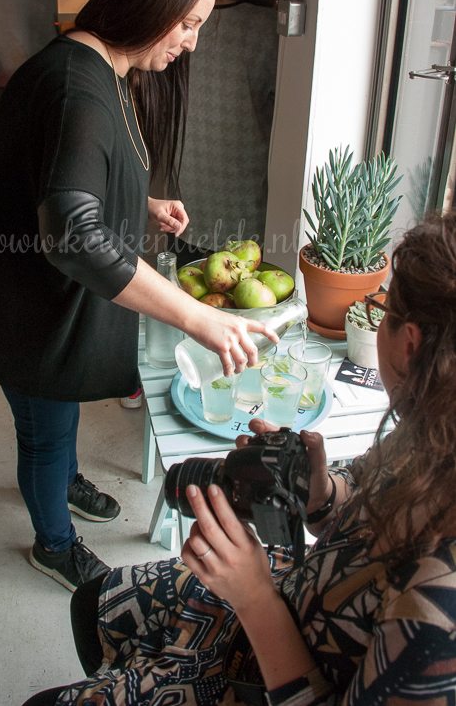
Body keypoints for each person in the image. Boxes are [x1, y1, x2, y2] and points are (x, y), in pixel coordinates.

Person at [24, 209, 456, 703]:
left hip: (275, 661)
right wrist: (322, 492)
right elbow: (362, 491)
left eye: (382, 310)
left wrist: (253, 597)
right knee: (92, 602)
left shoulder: (438, 615)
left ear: (409, 343)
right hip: (292, 593)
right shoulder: (433, 425)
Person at [0, 0, 278, 593]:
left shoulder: (103, 68)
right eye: (187, 24)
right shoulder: (75, 87)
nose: (192, 42)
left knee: (60, 410)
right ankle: (53, 544)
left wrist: (142, 204)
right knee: (43, 428)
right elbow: (74, 235)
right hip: (27, 299)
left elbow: (67, 178)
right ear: (147, 4)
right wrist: (196, 316)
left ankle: (63, 477)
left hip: (45, 288)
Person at [175, 0, 279, 266]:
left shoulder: (186, 20)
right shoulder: (271, 29)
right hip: (247, 199)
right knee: (245, 289)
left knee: (189, 286)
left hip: (189, 194)